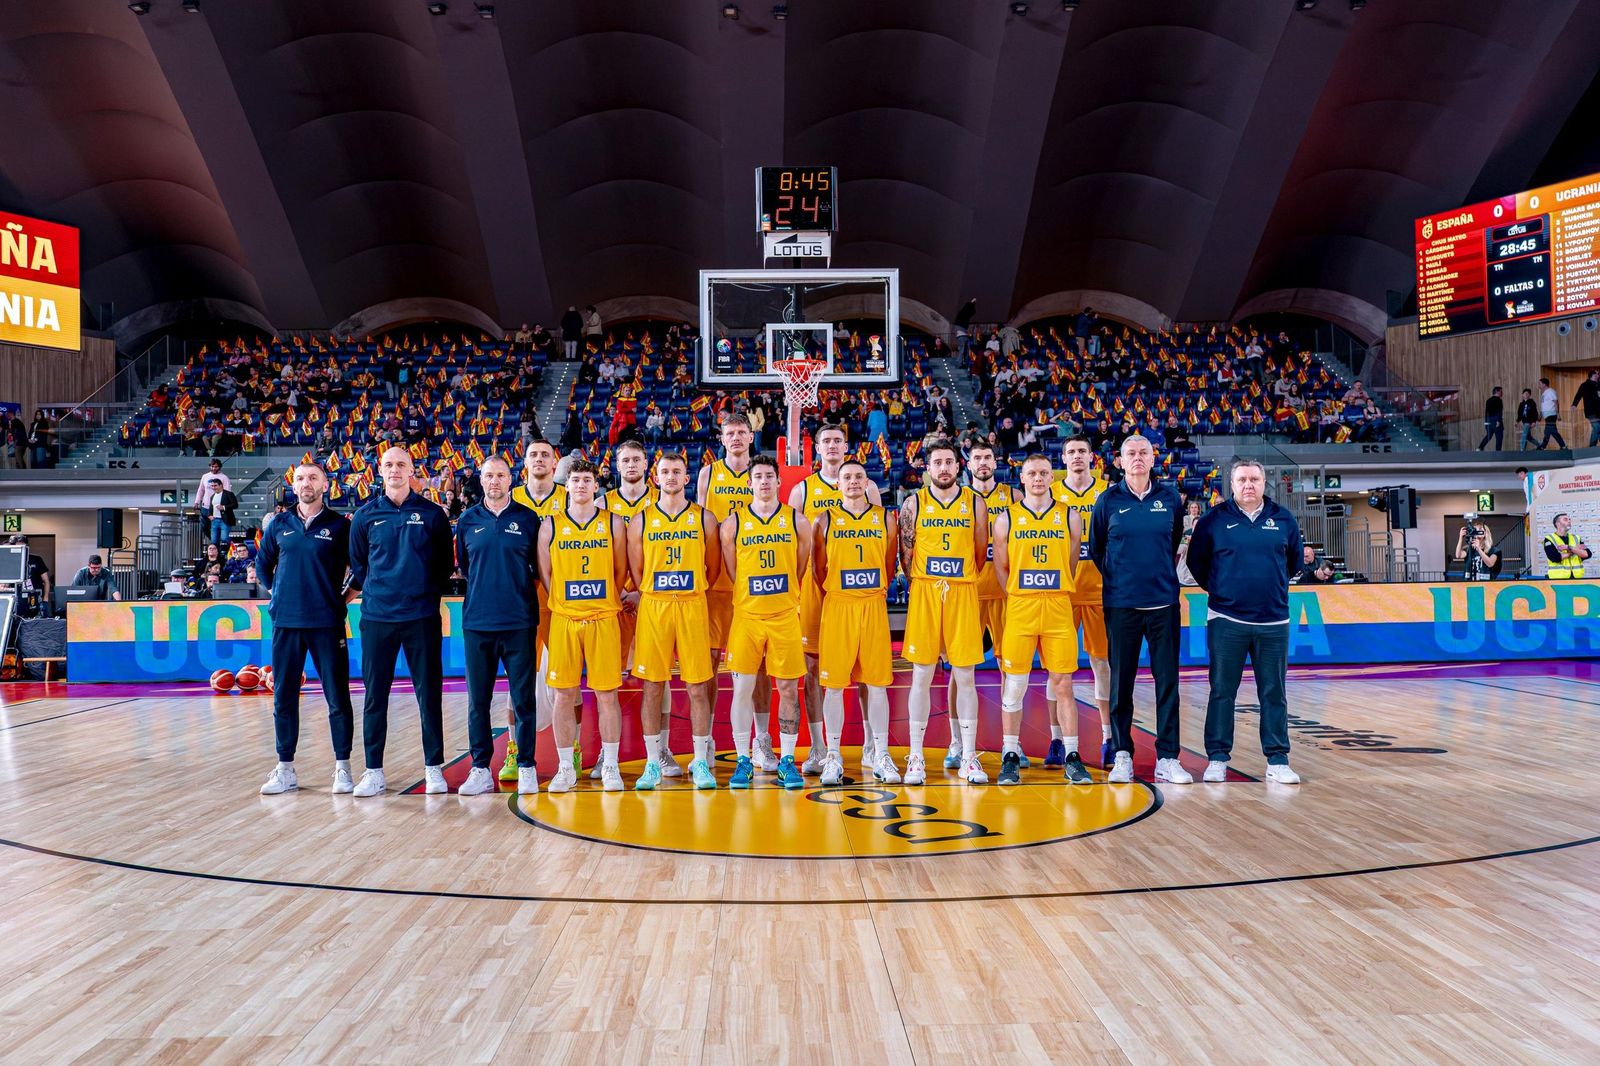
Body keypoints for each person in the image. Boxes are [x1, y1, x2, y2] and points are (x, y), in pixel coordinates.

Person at [346, 446, 455, 797]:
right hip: (377, 618)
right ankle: (373, 771)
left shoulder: (432, 514)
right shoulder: (365, 516)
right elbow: (360, 565)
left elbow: (444, 564)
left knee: (429, 695)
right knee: (375, 696)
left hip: (421, 617)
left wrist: (421, 592)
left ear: (412, 470)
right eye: (388, 464)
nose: (394, 470)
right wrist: (382, 591)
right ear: (380, 471)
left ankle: (434, 769)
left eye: (401, 464)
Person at [1186, 459, 1303, 785]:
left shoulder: (1284, 519)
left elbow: (1294, 562)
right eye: (1242, 480)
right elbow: (1196, 563)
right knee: (1222, 691)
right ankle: (1217, 758)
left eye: (1254, 479)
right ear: (1232, 484)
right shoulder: (1213, 520)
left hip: (1273, 621)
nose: (1248, 485)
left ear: (1264, 483)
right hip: (1226, 619)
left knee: (1274, 692)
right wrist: (1223, 591)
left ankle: (1277, 760)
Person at [1089, 434, 1188, 785]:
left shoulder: (1170, 498)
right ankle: (1122, 755)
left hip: (1163, 604)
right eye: (1130, 453)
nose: (1137, 458)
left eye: (1143, 452)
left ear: (1153, 458)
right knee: (1121, 683)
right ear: (1120, 460)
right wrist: (1122, 579)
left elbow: (1173, 542)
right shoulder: (1108, 501)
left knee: (1168, 683)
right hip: (1121, 605)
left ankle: (1168, 757)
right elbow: (1097, 549)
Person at [256, 463, 357, 796]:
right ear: (293, 485)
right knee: (284, 697)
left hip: (326, 623)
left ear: (325, 485)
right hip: (286, 623)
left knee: (337, 698)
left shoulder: (340, 526)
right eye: (300, 478)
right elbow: (263, 565)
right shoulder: (279, 524)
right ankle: (285, 768)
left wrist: (342, 598)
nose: (306, 483)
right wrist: (279, 594)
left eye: (313, 478)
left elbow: (361, 569)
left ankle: (343, 768)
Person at [790, 424, 885, 775]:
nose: (832, 445)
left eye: (837, 441)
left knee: (866, 669)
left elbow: (879, 540)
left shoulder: (867, 487)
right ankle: (820, 748)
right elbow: (796, 542)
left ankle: (871, 746)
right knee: (814, 668)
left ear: (847, 446)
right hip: (817, 591)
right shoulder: (802, 490)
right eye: (826, 441)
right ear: (817, 448)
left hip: (857, 592)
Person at [993, 454, 1091, 785]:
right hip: (1021, 606)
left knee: (1063, 682)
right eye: (1032, 473)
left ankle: (1072, 755)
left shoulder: (1070, 516)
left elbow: (1072, 561)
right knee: (1015, 683)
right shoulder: (1006, 518)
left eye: (1044, 473)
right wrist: (1019, 593)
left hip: (1058, 605)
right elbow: (1001, 567)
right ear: (1022, 478)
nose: (1038, 478)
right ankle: (1010, 754)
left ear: (1052, 478)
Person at [627, 451, 722, 790]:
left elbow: (713, 568)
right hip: (655, 606)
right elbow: (637, 570)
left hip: (692, 605)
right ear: (656, 478)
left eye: (676, 471)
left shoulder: (704, 519)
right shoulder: (640, 520)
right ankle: (653, 762)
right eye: (665, 471)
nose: (670, 476)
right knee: (652, 686)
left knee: (697, 686)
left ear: (686, 478)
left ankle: (701, 760)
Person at [899, 438, 990, 785]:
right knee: (921, 676)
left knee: (965, 676)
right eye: (937, 463)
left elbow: (980, 551)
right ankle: (916, 757)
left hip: (962, 591)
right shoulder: (913, 503)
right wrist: (922, 582)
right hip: (926, 591)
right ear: (927, 468)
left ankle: (968, 756)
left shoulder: (975, 503)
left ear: (958, 465)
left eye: (949, 462)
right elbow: (905, 555)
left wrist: (960, 577)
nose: (944, 468)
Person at [721, 454, 813, 788]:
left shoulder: (797, 521)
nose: (763, 481)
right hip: (747, 618)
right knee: (742, 689)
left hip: (785, 616)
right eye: (758, 476)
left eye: (769, 476)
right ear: (749, 483)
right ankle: (743, 759)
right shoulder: (732, 524)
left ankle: (787, 759)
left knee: (788, 689)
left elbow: (800, 567)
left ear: (778, 481)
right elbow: (733, 571)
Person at [455, 455, 542, 796]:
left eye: (500, 475)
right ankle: (480, 769)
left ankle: (527, 766)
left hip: (519, 622)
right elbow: (465, 567)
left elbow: (537, 568)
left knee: (523, 700)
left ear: (511, 480)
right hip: (478, 623)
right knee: (478, 701)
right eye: (489, 475)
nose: (494, 481)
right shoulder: (467, 520)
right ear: (481, 480)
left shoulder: (527, 518)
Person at [811, 459, 901, 785]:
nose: (852, 482)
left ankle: (880, 753)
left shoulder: (885, 518)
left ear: (867, 483)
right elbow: (818, 569)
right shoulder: (824, 520)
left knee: (877, 684)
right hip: (839, 605)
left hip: (873, 605)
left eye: (858, 477)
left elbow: (889, 565)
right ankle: (833, 756)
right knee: (834, 686)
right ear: (838, 484)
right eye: (846, 477)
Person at [503, 440, 568, 781]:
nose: (539, 459)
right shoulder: (510, 496)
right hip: (520, 599)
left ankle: (573, 751)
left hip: (560, 599)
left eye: (545, 454)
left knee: (567, 681)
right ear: (524, 463)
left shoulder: (569, 497)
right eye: (533, 455)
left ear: (555, 463)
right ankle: (513, 750)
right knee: (517, 681)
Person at [697, 414, 758, 760]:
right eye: (730, 433)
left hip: (752, 585)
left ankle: (759, 740)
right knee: (708, 664)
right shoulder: (708, 474)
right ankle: (705, 739)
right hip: (715, 584)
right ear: (722, 439)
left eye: (741, 432)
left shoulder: (761, 473)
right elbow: (702, 528)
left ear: (751, 437)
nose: (735, 437)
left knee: (756, 666)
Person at [1053, 436, 1113, 768]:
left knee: (1101, 664)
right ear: (1063, 458)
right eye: (1071, 452)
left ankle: (1108, 737)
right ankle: (1056, 740)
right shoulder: (1051, 493)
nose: (1077, 456)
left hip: (1099, 591)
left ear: (1092, 457)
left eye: (1082, 451)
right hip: (1062, 591)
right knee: (1058, 669)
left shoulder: (1107, 492)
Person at [957, 442, 1012, 763]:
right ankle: (956, 742)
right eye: (977, 457)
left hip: (1005, 593)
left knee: (1010, 668)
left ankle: (1010, 742)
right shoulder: (960, 498)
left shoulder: (1013, 496)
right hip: (969, 593)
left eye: (987, 457)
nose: (982, 462)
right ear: (968, 463)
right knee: (960, 669)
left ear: (995, 461)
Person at [1544, 513, 1591, 579]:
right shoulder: (1549, 539)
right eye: (1565, 519)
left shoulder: (1576, 538)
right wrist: (1574, 551)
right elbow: (1555, 558)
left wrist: (1569, 547)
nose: (1569, 521)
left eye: (1569, 519)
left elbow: (1587, 554)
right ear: (1557, 523)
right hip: (1558, 579)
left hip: (1577, 578)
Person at [1455, 515, 1500, 581]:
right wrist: (1460, 537)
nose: (1477, 531)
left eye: (1480, 529)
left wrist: (1479, 549)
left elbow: (1490, 563)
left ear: (1485, 533)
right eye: (1475, 530)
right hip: (1469, 582)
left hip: (1486, 583)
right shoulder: (1469, 549)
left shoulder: (1494, 550)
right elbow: (1458, 555)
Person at [201, 475, 237, 547]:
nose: (213, 487)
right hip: (214, 520)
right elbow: (211, 507)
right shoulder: (212, 496)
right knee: (214, 540)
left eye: (215, 485)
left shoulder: (228, 494)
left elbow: (235, 505)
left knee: (224, 538)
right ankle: (217, 553)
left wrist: (224, 507)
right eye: (212, 486)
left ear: (220, 485)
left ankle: (231, 549)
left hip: (225, 520)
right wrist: (209, 515)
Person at [1538, 377, 1566, 449]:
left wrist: (1558, 414)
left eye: (1540, 383)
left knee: (1548, 431)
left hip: (1551, 415)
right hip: (1547, 415)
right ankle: (1563, 446)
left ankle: (1542, 446)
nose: (1539, 385)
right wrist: (1540, 415)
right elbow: (1544, 405)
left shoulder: (1550, 392)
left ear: (1544, 384)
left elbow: (1556, 403)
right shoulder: (1544, 393)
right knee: (1553, 431)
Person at [1575, 370, 1600, 448]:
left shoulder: (1598, 385)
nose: (1598, 375)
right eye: (1597, 374)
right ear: (1593, 375)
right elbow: (1578, 395)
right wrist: (1574, 404)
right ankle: (1592, 446)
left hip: (1599, 411)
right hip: (1591, 411)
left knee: (1598, 428)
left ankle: (1593, 445)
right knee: (1597, 427)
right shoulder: (1585, 385)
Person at [1479, 386, 1505, 451]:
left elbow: (1486, 412)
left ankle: (1480, 448)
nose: (1502, 393)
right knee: (1499, 437)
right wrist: (1498, 421)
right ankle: (1498, 452)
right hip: (1496, 420)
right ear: (1497, 392)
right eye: (1501, 391)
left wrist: (1486, 422)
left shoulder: (1488, 400)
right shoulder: (1499, 400)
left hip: (1489, 420)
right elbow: (1499, 411)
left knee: (1489, 436)